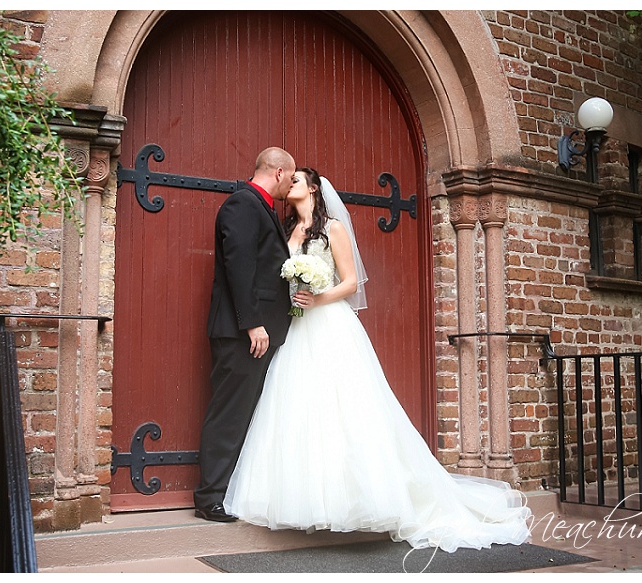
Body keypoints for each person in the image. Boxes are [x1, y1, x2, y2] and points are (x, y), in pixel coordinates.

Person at [223, 168, 532, 551]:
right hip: (296, 327)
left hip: (328, 324)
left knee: (347, 410)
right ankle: (304, 498)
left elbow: (351, 282)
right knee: (299, 409)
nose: (291, 186)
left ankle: (361, 499)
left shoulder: (333, 228)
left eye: (299, 180)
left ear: (314, 188)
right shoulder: (285, 229)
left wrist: (317, 297)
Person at [194, 147, 297, 522]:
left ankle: (225, 491)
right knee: (229, 413)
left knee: (243, 412)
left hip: (253, 332)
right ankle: (209, 498)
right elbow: (239, 266)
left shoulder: (261, 207)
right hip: (241, 334)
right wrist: (252, 323)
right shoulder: (243, 204)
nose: (291, 184)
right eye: (291, 176)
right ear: (280, 171)